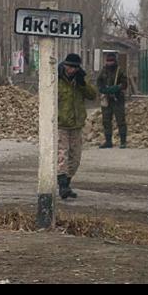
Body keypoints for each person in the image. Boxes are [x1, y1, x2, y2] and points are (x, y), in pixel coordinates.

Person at [57, 53, 98, 199]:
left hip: (76, 124)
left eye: (75, 68)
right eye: (69, 67)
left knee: (75, 158)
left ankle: (67, 184)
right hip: (60, 124)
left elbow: (92, 95)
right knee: (62, 154)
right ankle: (62, 186)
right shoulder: (56, 79)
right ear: (65, 65)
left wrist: (82, 83)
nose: (71, 70)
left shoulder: (80, 79)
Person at [96, 52, 129, 149]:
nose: (109, 63)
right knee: (106, 120)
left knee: (120, 120)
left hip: (117, 98)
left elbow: (124, 84)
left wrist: (115, 88)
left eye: (111, 61)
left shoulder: (120, 71)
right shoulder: (103, 71)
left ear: (115, 61)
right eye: (108, 61)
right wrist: (103, 89)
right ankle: (108, 141)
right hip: (106, 99)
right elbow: (99, 82)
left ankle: (123, 142)